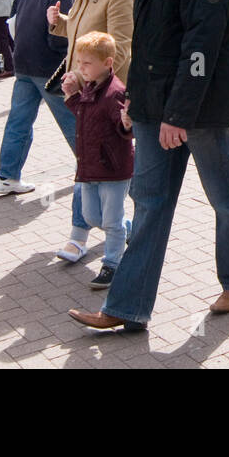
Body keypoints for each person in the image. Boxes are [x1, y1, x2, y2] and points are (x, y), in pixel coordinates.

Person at [67, 0, 229, 332]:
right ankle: (127, 306)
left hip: (196, 105)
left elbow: (203, 39)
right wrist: (136, 99)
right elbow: (151, 41)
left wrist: (178, 113)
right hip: (158, 104)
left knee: (224, 191)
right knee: (149, 200)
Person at [47, 0, 137, 264]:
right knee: (89, 163)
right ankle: (106, 228)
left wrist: (98, 88)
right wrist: (60, 22)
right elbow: (81, 32)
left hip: (102, 99)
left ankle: (90, 234)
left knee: (96, 165)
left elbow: (121, 49)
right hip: (82, 95)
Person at [0, 0, 79, 197]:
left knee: (19, 121)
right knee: (73, 119)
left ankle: (6, 175)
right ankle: (93, 168)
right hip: (48, 66)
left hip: (24, 62)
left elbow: (13, 19)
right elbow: (58, 34)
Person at [62, 31, 135, 290]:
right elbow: (86, 114)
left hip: (113, 168)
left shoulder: (115, 92)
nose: (81, 69)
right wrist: (71, 96)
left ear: (107, 63)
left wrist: (127, 124)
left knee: (110, 222)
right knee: (92, 216)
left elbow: (124, 128)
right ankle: (129, 227)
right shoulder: (91, 86)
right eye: (79, 63)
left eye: (86, 63)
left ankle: (112, 264)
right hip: (90, 167)